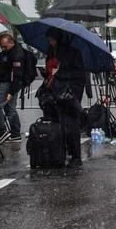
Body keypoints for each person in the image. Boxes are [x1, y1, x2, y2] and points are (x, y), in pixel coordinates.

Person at [37, 28, 86, 169]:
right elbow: (51, 72)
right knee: (56, 125)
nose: (50, 42)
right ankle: (59, 153)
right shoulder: (51, 52)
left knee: (71, 126)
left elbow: (78, 75)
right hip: (53, 93)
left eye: (52, 39)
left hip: (68, 95)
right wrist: (47, 73)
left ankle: (75, 156)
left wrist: (60, 73)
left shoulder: (73, 53)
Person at [0, 33, 26, 143]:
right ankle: (15, 134)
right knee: (10, 110)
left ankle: (2, 132)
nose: (3, 49)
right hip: (9, 83)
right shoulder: (8, 51)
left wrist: (11, 91)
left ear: (12, 42)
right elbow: (1, 57)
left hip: (7, 84)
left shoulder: (17, 54)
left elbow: (17, 75)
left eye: (5, 46)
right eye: (1, 46)